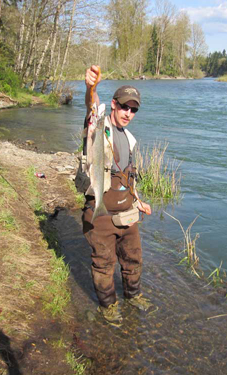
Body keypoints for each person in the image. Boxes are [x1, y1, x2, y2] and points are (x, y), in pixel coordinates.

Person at [81, 65, 153, 326]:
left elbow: (127, 176)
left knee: (133, 259)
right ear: (113, 104)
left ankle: (133, 297)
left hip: (127, 212)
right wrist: (92, 87)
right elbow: (92, 104)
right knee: (103, 264)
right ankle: (108, 306)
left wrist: (138, 200)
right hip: (101, 212)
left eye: (134, 109)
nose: (129, 113)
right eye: (124, 107)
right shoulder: (98, 125)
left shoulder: (131, 139)